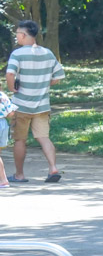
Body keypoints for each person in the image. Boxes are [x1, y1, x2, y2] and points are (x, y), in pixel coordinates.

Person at [6, 20, 65, 183]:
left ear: (23, 35)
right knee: (44, 137)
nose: (17, 36)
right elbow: (58, 76)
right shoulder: (47, 53)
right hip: (42, 105)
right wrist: (43, 84)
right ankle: (53, 168)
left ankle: (19, 175)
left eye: (17, 33)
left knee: (20, 140)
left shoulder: (17, 54)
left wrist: (13, 89)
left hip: (21, 104)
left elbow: (10, 74)